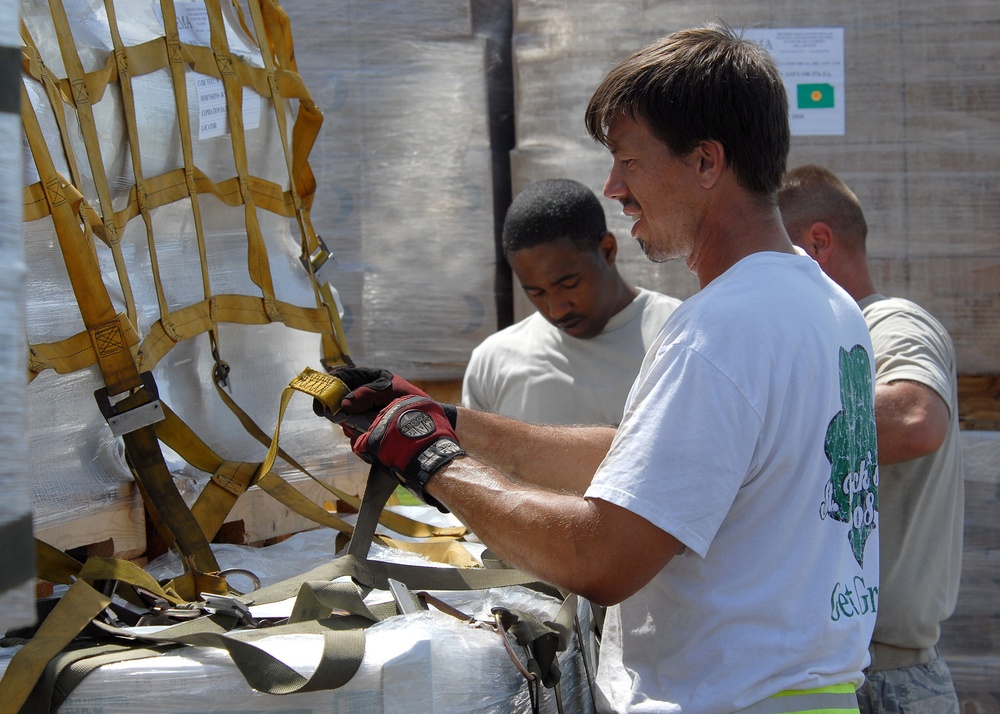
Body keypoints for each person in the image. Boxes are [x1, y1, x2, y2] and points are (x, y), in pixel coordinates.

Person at [332, 23, 879, 713]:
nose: (614, 187)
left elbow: (602, 557)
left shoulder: (719, 329)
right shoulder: (824, 306)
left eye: (627, 159)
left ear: (707, 163)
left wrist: (434, 462)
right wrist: (459, 426)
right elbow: (648, 465)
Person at [778, 164, 964, 714]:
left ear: (817, 244)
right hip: (832, 673)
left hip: (885, 681)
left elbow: (915, 418)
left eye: (771, 256)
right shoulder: (826, 337)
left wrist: (754, 429)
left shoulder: (888, 322)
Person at [462, 177, 681, 426]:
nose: (556, 310)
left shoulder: (678, 337)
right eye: (536, 292)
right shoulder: (493, 363)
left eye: (568, 284)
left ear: (608, 250)